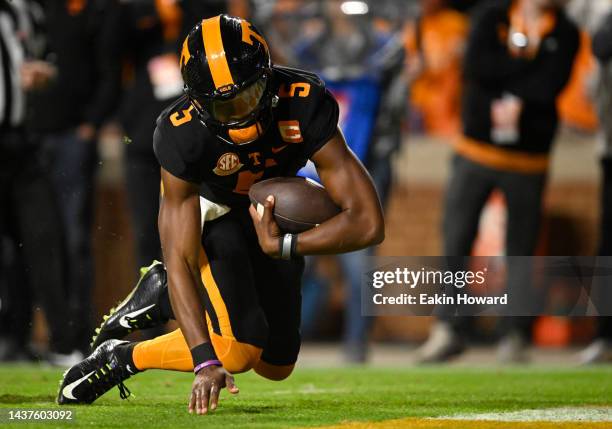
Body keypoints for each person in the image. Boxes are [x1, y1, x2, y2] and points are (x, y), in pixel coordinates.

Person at [57, 15, 384, 413]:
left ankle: (159, 299)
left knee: (276, 365)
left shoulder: (303, 100)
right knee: (236, 352)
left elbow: (368, 222)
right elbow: (178, 255)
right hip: (214, 218)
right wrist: (204, 361)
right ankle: (123, 357)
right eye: (224, 105)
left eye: (249, 95)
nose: (241, 114)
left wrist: (286, 245)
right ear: (196, 100)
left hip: (269, 219)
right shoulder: (180, 133)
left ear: (269, 76)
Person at [415, 0, 579, 363]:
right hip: (476, 150)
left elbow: (550, 85)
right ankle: (447, 329)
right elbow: (477, 68)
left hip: (528, 158)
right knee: (456, 239)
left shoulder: (564, 31)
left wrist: (511, 76)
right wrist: (526, 70)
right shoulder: (492, 16)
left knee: (521, 249)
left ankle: (515, 334)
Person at [0, 0, 75, 364]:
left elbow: (49, 60)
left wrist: (45, 73)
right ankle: (11, 339)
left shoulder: (25, 10)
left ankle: (58, 341)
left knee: (43, 239)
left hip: (21, 142)